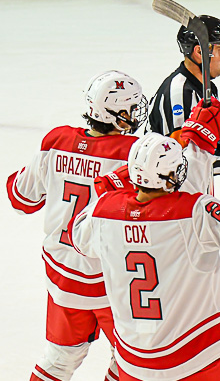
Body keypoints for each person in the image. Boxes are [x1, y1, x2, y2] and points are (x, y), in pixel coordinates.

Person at [68, 98, 220, 380]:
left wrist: (197, 148)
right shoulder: (193, 213)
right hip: (196, 357)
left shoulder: (103, 214)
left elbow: (80, 234)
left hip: (134, 362)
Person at [6, 70, 147, 381]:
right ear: (116, 113)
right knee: (134, 364)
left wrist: (48, 171)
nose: (136, 113)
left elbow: (21, 199)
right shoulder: (132, 153)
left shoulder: (57, 141)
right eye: (131, 107)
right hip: (111, 282)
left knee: (58, 361)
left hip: (63, 277)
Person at [146, 14, 220, 179]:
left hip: (192, 186)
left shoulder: (207, 88)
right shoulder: (181, 93)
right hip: (168, 189)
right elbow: (183, 160)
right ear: (199, 52)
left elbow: (219, 137)